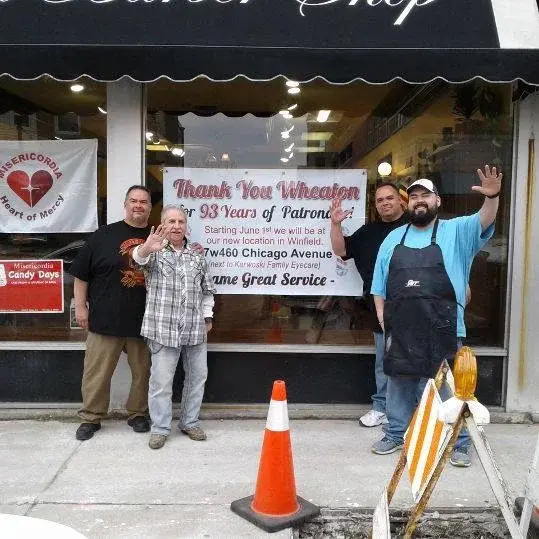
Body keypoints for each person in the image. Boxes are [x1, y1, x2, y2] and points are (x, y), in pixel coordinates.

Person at [370, 165, 501, 467]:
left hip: (444, 325)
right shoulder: (392, 239)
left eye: (425, 195)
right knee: (399, 382)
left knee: (451, 387)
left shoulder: (457, 230)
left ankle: (460, 441)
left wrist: (492, 196)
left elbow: (485, 217)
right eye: (414, 196)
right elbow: (379, 284)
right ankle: (396, 432)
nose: (419, 200)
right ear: (408, 203)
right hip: (401, 326)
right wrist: (381, 315)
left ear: (437, 201)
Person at [70, 185, 153, 441]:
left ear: (150, 207)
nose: (138, 206)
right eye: (133, 201)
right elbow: (81, 275)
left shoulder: (158, 237)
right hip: (105, 319)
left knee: (143, 372)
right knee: (96, 373)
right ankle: (91, 417)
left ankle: (138, 413)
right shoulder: (103, 235)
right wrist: (81, 307)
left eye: (143, 202)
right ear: (125, 204)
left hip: (146, 322)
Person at [132, 205, 216, 450]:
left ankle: (190, 422)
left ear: (186, 225)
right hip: (162, 329)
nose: (176, 226)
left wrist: (207, 318)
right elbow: (137, 259)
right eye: (171, 221)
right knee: (161, 382)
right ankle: (160, 428)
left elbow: (206, 290)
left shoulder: (198, 255)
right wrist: (148, 246)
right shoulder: (154, 250)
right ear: (162, 224)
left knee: (197, 377)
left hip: (194, 329)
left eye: (180, 221)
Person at [330, 182, 407, 427]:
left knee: (418, 359)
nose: (385, 203)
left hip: (416, 305)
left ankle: (418, 410)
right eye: (380, 200)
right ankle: (382, 407)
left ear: (400, 200)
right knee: (384, 361)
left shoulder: (416, 228)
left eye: (390, 198)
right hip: (381, 306)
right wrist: (335, 224)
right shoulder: (369, 232)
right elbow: (341, 249)